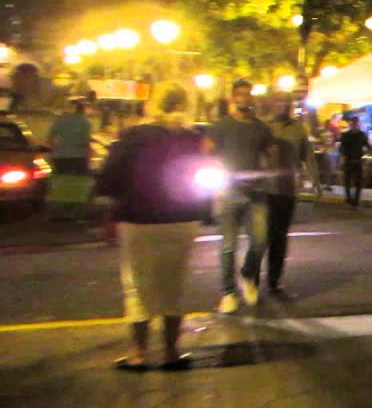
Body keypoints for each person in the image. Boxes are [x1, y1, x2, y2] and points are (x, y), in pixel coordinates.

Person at [95, 82, 210, 371]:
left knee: (138, 286)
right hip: (182, 219)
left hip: (139, 218)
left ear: (152, 104)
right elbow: (203, 177)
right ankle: (172, 351)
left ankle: (138, 353)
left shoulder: (134, 137)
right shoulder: (193, 139)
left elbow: (108, 177)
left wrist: (113, 199)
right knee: (174, 285)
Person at [208, 79, 275, 314]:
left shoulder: (261, 128)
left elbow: (271, 153)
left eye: (249, 94)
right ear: (233, 97)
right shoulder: (220, 127)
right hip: (227, 191)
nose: (245, 99)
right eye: (241, 95)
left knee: (260, 240)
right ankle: (228, 292)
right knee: (228, 245)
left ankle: (247, 274)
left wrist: (267, 174)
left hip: (255, 191)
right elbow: (205, 153)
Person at [263, 92, 317, 301]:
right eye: (281, 102)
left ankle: (274, 280)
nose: (284, 106)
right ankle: (251, 278)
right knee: (260, 237)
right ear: (273, 104)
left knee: (279, 237)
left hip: (286, 190)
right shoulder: (263, 127)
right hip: (265, 189)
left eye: (288, 103)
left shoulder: (298, 129)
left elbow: (307, 155)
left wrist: (315, 182)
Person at [46, 99, 95, 174]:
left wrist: (51, 154)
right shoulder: (85, 122)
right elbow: (86, 142)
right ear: (82, 110)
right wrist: (89, 158)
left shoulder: (59, 120)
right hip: (78, 158)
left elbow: (49, 139)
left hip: (60, 157)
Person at [339, 115, 370, 207]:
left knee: (357, 181)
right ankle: (349, 198)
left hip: (357, 160)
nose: (355, 125)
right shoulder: (346, 135)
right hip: (349, 160)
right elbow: (341, 148)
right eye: (354, 123)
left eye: (356, 123)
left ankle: (355, 199)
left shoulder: (361, 135)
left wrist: (366, 153)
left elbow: (367, 146)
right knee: (348, 181)